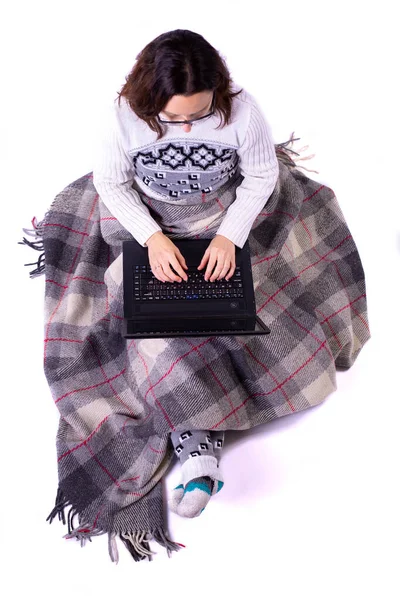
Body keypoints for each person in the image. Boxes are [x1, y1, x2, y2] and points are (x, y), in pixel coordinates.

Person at [92, 29, 279, 519]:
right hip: (149, 216)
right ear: (148, 99)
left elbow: (261, 176)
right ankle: (200, 454)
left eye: (200, 115)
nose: (188, 128)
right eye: (173, 119)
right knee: (147, 319)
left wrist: (229, 236)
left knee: (241, 311)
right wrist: (151, 238)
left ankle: (199, 449)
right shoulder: (123, 118)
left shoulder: (244, 110)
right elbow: (111, 183)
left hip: (222, 212)